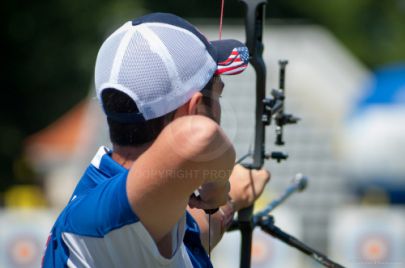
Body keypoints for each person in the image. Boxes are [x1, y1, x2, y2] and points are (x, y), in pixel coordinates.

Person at [42, 13, 270, 268]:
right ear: (193, 110)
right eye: (217, 95)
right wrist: (217, 185)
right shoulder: (105, 220)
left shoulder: (144, 214)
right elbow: (199, 135)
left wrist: (233, 195)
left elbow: (196, 232)